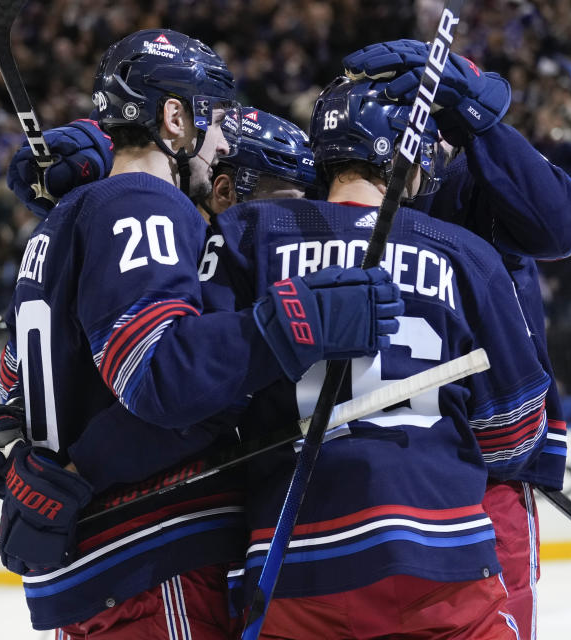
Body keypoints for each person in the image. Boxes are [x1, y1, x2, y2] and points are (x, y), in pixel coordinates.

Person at [0, 29, 399, 637]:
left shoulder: (64, 217)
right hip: (153, 557)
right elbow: (160, 376)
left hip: (94, 570)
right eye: (214, 119)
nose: (222, 140)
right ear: (174, 118)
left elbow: (19, 384)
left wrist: (5, 442)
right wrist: (297, 323)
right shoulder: (142, 201)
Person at [204, 74, 551, 639]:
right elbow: (514, 435)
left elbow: (203, 388)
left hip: (295, 562)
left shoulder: (244, 232)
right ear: (402, 151)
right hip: (442, 557)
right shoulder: (465, 252)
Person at [342, 40, 571, 639]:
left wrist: (475, 119)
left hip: (480, 472)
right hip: (364, 479)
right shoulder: (339, 206)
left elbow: (559, 226)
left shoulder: (470, 185)